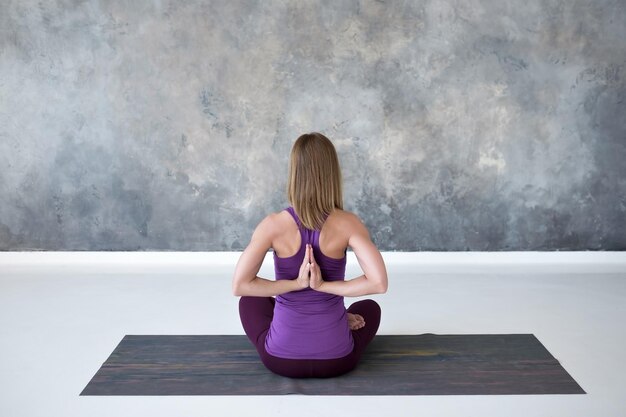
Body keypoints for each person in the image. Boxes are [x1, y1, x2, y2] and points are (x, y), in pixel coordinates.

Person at [232, 132, 388, 378]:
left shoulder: (272, 225)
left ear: (294, 174)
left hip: (281, 361)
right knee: (369, 308)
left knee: (251, 301)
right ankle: (337, 319)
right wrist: (324, 286)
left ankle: (314, 323)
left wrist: (295, 285)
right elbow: (378, 283)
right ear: (332, 174)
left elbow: (240, 285)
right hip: (337, 361)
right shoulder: (349, 224)